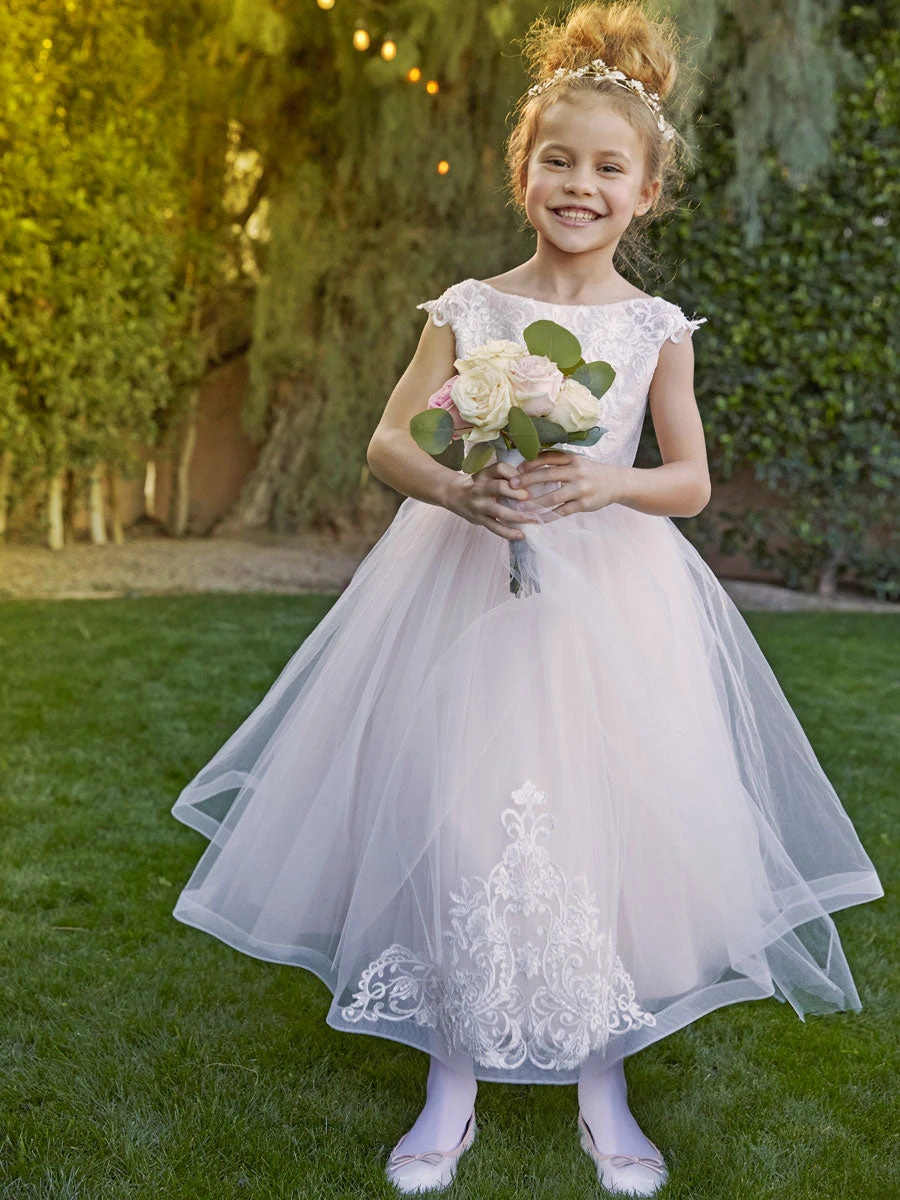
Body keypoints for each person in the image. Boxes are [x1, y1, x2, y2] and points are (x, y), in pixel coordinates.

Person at [170, 2, 884, 1195]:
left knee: (611, 834)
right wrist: (460, 493)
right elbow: (388, 443)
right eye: (559, 160)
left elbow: (691, 480)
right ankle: (451, 1082)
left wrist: (609, 478)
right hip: (470, 604)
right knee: (460, 818)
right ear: (523, 170)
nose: (580, 185)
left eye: (610, 168)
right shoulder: (471, 308)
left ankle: (603, 1082)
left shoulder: (656, 330)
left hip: (617, 614)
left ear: (647, 191)